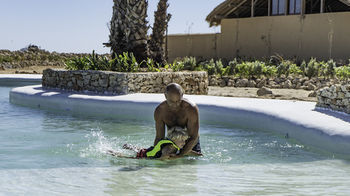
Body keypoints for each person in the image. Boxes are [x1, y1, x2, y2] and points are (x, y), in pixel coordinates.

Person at [153, 83, 202, 158]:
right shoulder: (160, 111)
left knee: (192, 166)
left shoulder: (191, 109)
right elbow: (159, 137)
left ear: (182, 95)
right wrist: (155, 153)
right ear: (165, 96)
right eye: (172, 102)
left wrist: (180, 155)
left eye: (178, 101)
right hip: (172, 141)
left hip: (191, 142)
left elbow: (193, 137)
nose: (176, 105)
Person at [108, 127, 199, 159]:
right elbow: (161, 159)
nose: (184, 142)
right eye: (182, 140)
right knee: (129, 158)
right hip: (146, 156)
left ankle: (129, 146)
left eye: (185, 140)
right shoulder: (169, 149)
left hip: (150, 150)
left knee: (143, 150)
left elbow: (186, 151)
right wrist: (172, 159)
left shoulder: (175, 145)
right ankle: (113, 153)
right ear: (174, 140)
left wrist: (197, 154)